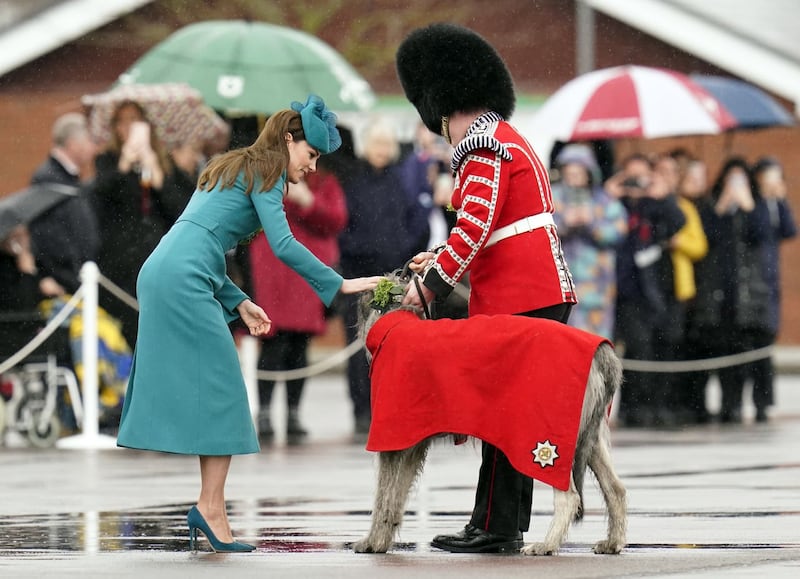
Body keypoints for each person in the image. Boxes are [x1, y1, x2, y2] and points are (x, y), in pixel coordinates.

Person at [115, 95, 382, 552]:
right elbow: (282, 243)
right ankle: (211, 508)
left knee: (217, 390)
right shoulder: (269, 173)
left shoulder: (230, 165)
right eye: (311, 154)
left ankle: (210, 506)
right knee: (224, 391)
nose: (313, 167)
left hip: (165, 271)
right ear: (287, 140)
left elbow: (199, 238)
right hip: (184, 278)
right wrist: (338, 284)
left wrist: (238, 300)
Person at [397, 24, 577, 554]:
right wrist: (441, 259)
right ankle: (499, 521)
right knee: (513, 411)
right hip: (531, 288)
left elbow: (474, 226)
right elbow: (490, 229)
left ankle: (496, 525)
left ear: (448, 110)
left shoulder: (482, 147)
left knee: (502, 413)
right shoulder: (503, 140)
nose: (439, 135)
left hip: (522, 294)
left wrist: (430, 286)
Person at [337, 116, 429, 440]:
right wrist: (362, 250)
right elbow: (341, 228)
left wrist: (402, 254)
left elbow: (419, 223)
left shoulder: (402, 182)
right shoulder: (353, 182)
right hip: (359, 276)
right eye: (377, 143)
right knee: (360, 343)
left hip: (391, 278)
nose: (382, 150)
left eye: (386, 144)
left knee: (392, 341)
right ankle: (361, 408)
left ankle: (388, 405)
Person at [249, 169, 348, 443]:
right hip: (273, 271)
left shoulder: (326, 182)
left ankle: (293, 412)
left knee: (299, 344)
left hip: (307, 271)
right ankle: (265, 412)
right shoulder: (268, 178)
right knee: (272, 342)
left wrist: (308, 201)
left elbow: (336, 220)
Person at [606, 154, 686, 428]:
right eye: (632, 177)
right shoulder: (617, 203)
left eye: (642, 176)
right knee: (635, 349)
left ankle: (652, 407)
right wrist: (609, 195)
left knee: (654, 349)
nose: (637, 183)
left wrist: (662, 196)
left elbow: (679, 222)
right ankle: (633, 408)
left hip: (653, 289)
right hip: (623, 288)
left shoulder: (656, 205)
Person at [690, 158, 771, 423]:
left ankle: (758, 406)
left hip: (750, 295)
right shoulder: (713, 207)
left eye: (741, 179)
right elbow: (706, 237)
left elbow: (764, 234)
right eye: (730, 179)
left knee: (754, 355)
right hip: (720, 294)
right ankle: (729, 404)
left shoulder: (757, 207)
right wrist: (721, 207)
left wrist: (748, 206)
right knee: (724, 352)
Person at [90, 100, 177, 346]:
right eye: (123, 121)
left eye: (135, 120)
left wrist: (153, 167)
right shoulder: (107, 160)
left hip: (155, 252)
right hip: (120, 257)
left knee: (157, 326)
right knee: (127, 324)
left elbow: (176, 207)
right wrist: (125, 163)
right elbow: (101, 195)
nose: (129, 126)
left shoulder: (162, 161)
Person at [550, 143, 627, 339]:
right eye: (569, 173)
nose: (573, 178)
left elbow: (619, 232)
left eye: (578, 173)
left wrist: (592, 224)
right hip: (560, 288)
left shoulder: (604, 200)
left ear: (589, 173)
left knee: (595, 346)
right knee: (563, 341)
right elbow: (538, 229)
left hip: (597, 290)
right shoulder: (552, 197)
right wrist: (564, 223)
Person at [28, 113, 99, 295]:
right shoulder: (48, 179)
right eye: (90, 141)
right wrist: (70, 274)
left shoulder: (67, 178)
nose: (94, 148)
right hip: (65, 284)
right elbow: (46, 235)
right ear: (74, 144)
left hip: (79, 277)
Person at [747, 157, 796, 421]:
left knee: (765, 347)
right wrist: (765, 200)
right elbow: (758, 230)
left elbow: (789, 230)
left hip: (769, 286)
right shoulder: (753, 204)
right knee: (751, 347)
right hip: (751, 285)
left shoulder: (776, 204)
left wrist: (781, 200)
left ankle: (763, 403)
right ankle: (745, 402)